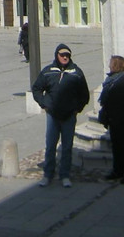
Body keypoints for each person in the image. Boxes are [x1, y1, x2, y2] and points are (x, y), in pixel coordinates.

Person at [32, 43, 90, 188]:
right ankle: (48, 174)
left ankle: (65, 175)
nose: (65, 57)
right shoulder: (48, 71)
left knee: (67, 146)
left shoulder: (76, 72)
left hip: (69, 115)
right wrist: (44, 103)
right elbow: (37, 88)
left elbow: (84, 94)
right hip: (52, 114)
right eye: (62, 55)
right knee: (50, 145)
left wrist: (77, 108)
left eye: (67, 55)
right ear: (56, 55)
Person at [98, 55, 124, 184]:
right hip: (114, 120)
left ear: (117, 65)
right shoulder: (112, 80)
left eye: (111, 63)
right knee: (117, 147)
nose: (109, 65)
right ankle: (118, 170)